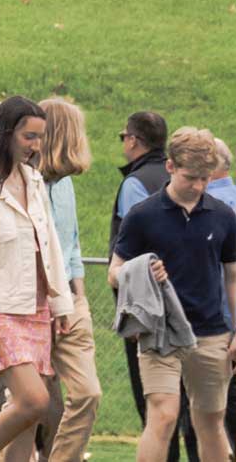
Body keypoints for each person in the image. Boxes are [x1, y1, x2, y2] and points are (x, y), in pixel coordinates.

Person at [0, 96, 78, 462]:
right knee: (32, 399)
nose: (37, 146)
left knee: (32, 414)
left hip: (36, 311)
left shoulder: (34, 181)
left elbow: (50, 244)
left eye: (40, 137)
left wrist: (60, 303)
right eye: (29, 137)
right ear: (6, 134)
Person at [117, 126, 236, 462]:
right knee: (164, 415)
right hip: (160, 332)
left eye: (205, 178)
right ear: (170, 166)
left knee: (211, 421)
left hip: (211, 333)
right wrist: (141, 269)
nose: (198, 186)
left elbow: (232, 277)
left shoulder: (224, 216)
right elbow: (115, 271)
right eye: (190, 177)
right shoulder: (143, 215)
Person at [32, 95, 105, 458]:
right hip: (33, 306)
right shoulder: (24, 184)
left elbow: (72, 247)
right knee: (31, 406)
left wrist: (80, 298)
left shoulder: (65, 186)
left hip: (71, 306)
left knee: (88, 392)